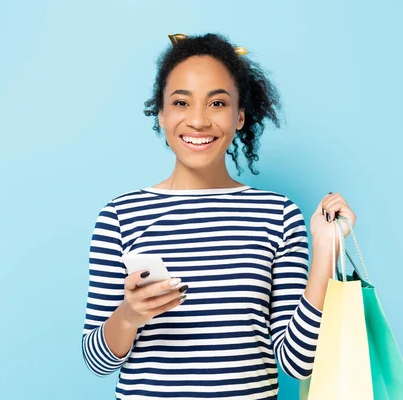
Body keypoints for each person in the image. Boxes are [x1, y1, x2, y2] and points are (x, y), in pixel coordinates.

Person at [80, 32, 356, 399]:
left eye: (217, 104)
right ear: (161, 115)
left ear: (240, 116)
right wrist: (129, 316)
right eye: (181, 102)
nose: (198, 121)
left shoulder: (278, 215)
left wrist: (326, 250)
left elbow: (297, 362)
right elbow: (96, 360)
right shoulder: (120, 216)